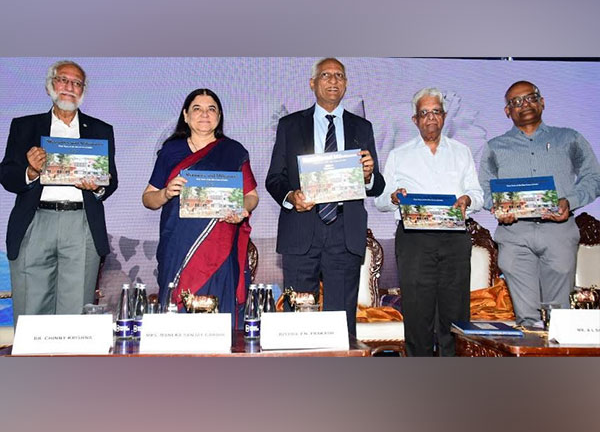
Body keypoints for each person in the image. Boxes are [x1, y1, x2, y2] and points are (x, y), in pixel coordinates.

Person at [266, 58, 385, 336]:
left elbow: (377, 184)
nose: (333, 80)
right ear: (312, 83)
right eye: (326, 75)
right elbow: (274, 179)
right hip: (301, 228)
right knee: (298, 322)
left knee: (341, 325)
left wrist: (367, 175)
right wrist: (291, 196)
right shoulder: (290, 125)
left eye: (339, 76)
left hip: (345, 232)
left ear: (345, 84)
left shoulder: (362, 127)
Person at [0, 60, 118, 324]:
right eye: (64, 80)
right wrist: (31, 171)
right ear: (50, 85)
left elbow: (111, 180)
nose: (70, 87)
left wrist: (98, 185)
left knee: (75, 316)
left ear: (83, 91)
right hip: (36, 222)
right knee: (31, 312)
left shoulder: (101, 130)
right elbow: (7, 175)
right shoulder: (25, 126)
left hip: (82, 224)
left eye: (77, 83)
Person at [479, 81, 600, 327]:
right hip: (515, 235)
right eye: (516, 102)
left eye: (530, 98)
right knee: (528, 319)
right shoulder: (495, 147)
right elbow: (485, 187)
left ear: (542, 102)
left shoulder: (569, 138)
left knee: (560, 318)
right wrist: (499, 208)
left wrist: (571, 201)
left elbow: (593, 177)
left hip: (559, 231)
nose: (524, 105)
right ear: (507, 111)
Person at [374, 87, 483, 356]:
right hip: (415, 240)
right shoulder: (399, 154)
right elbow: (380, 201)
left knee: (455, 315)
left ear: (444, 116)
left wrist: (468, 199)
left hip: (454, 238)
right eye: (424, 113)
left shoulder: (462, 152)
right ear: (415, 120)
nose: (430, 118)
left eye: (436, 112)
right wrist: (395, 198)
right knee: (417, 315)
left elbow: (478, 195)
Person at [142, 88, 258, 327]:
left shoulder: (234, 151)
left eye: (211, 109)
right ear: (185, 115)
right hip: (177, 246)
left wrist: (241, 210)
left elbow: (251, 196)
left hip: (220, 247)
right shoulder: (170, 151)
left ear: (219, 116)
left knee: (219, 317)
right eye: (197, 108)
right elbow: (148, 198)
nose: (204, 114)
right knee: (177, 318)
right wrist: (165, 193)